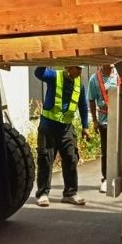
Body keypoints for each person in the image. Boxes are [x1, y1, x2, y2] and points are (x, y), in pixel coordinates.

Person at [33, 65, 90, 207]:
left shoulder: (79, 85)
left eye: (81, 69)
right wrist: (46, 58)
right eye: (78, 69)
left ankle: (70, 194)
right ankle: (43, 194)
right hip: (48, 127)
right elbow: (38, 72)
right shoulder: (54, 76)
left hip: (66, 128)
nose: (80, 72)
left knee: (71, 158)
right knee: (46, 159)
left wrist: (85, 126)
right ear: (68, 67)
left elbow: (83, 105)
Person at [87, 63, 118, 192]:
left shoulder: (120, 75)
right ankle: (106, 179)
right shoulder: (94, 79)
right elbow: (91, 100)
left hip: (120, 120)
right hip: (105, 121)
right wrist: (95, 121)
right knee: (106, 151)